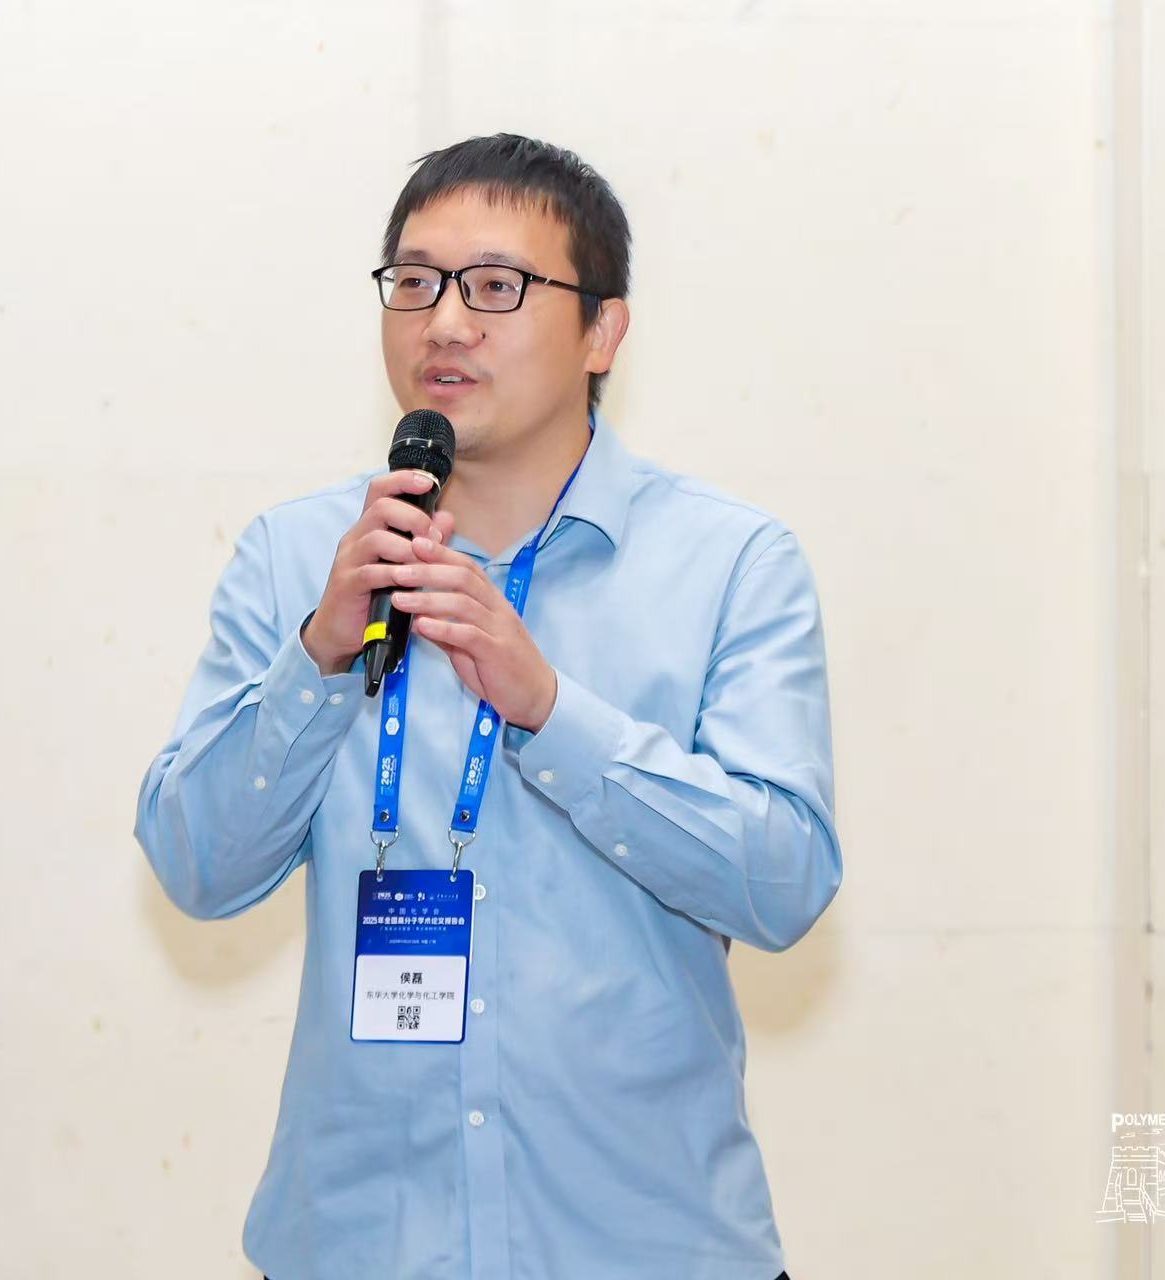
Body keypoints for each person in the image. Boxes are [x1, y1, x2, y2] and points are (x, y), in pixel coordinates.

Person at [134, 133, 838, 1280]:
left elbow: (785, 880)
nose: (445, 322)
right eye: (414, 282)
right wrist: (318, 657)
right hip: (361, 1246)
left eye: (496, 286)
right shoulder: (298, 558)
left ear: (603, 329)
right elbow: (196, 868)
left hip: (645, 1245)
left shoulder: (730, 563)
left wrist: (553, 711)